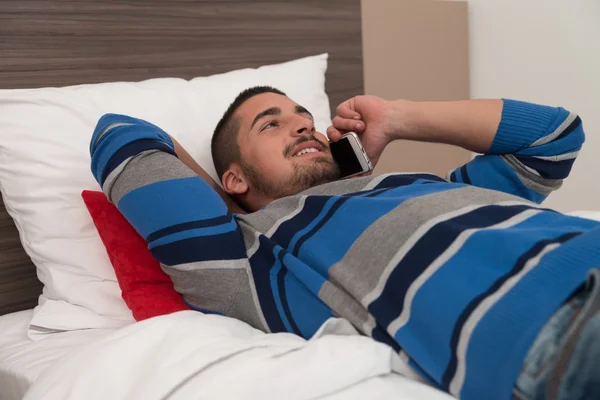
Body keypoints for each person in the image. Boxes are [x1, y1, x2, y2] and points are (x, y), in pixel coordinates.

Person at [90, 86, 599, 400]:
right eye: (272, 124)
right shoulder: (250, 258)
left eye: (303, 117)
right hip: (558, 328)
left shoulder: (420, 184)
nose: (301, 125)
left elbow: (555, 137)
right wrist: (234, 208)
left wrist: (397, 119)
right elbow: (120, 133)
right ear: (234, 178)